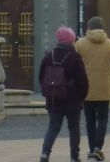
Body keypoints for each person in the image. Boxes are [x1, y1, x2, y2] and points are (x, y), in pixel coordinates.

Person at [40, 26, 90, 162]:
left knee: (53, 127)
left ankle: (45, 153)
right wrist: (82, 96)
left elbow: (41, 77)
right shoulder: (74, 57)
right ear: (71, 40)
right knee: (74, 129)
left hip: (53, 98)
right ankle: (74, 156)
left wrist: (49, 93)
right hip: (72, 100)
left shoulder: (49, 55)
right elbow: (82, 80)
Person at [77, 16, 110, 161]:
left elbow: (76, 67)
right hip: (105, 87)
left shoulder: (80, 44)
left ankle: (91, 149)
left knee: (89, 120)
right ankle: (97, 148)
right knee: (102, 119)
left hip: (86, 88)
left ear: (88, 27)